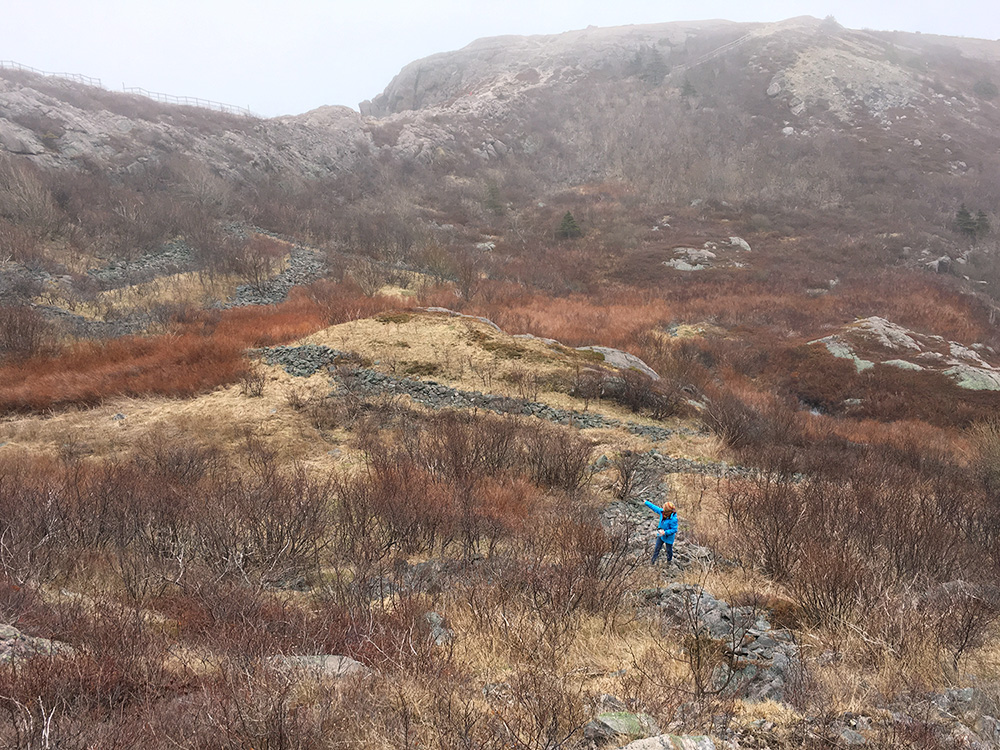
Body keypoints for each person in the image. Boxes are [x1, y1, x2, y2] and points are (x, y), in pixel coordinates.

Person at [644, 499, 678, 564]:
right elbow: (654, 508)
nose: (662, 509)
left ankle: (669, 561)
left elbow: (674, 529)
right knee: (657, 548)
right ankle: (652, 561)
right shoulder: (662, 512)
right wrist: (646, 503)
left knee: (669, 550)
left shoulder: (673, 519)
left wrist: (665, 532)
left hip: (668, 538)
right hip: (660, 535)